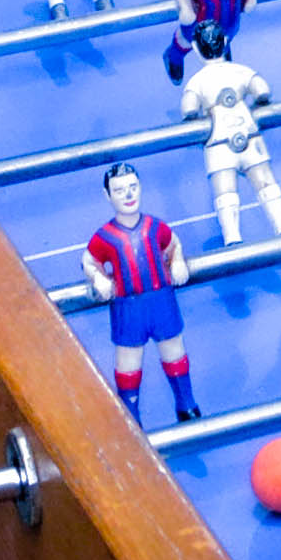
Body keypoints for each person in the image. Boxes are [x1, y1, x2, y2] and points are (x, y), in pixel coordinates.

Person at [82, 164, 196, 423]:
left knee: (174, 351)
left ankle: (187, 405)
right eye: (119, 190)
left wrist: (178, 261)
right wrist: (98, 278)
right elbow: (88, 261)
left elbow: (173, 244)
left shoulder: (155, 226)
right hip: (128, 307)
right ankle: (131, 418)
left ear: (141, 187)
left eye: (133, 187)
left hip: (161, 300)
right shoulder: (105, 236)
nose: (128, 194)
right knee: (128, 363)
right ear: (107, 195)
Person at [178, 35, 281, 243]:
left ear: (195, 48)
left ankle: (232, 237)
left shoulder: (198, 81)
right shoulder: (240, 71)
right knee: (265, 182)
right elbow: (262, 91)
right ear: (225, 41)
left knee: (226, 192)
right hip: (247, 132)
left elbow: (188, 109)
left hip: (218, 140)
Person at [163, 0, 253, 86]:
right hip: (197, 29)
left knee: (223, 53)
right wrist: (186, 8)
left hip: (226, 30)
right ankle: (173, 58)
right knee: (184, 44)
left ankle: (224, 68)